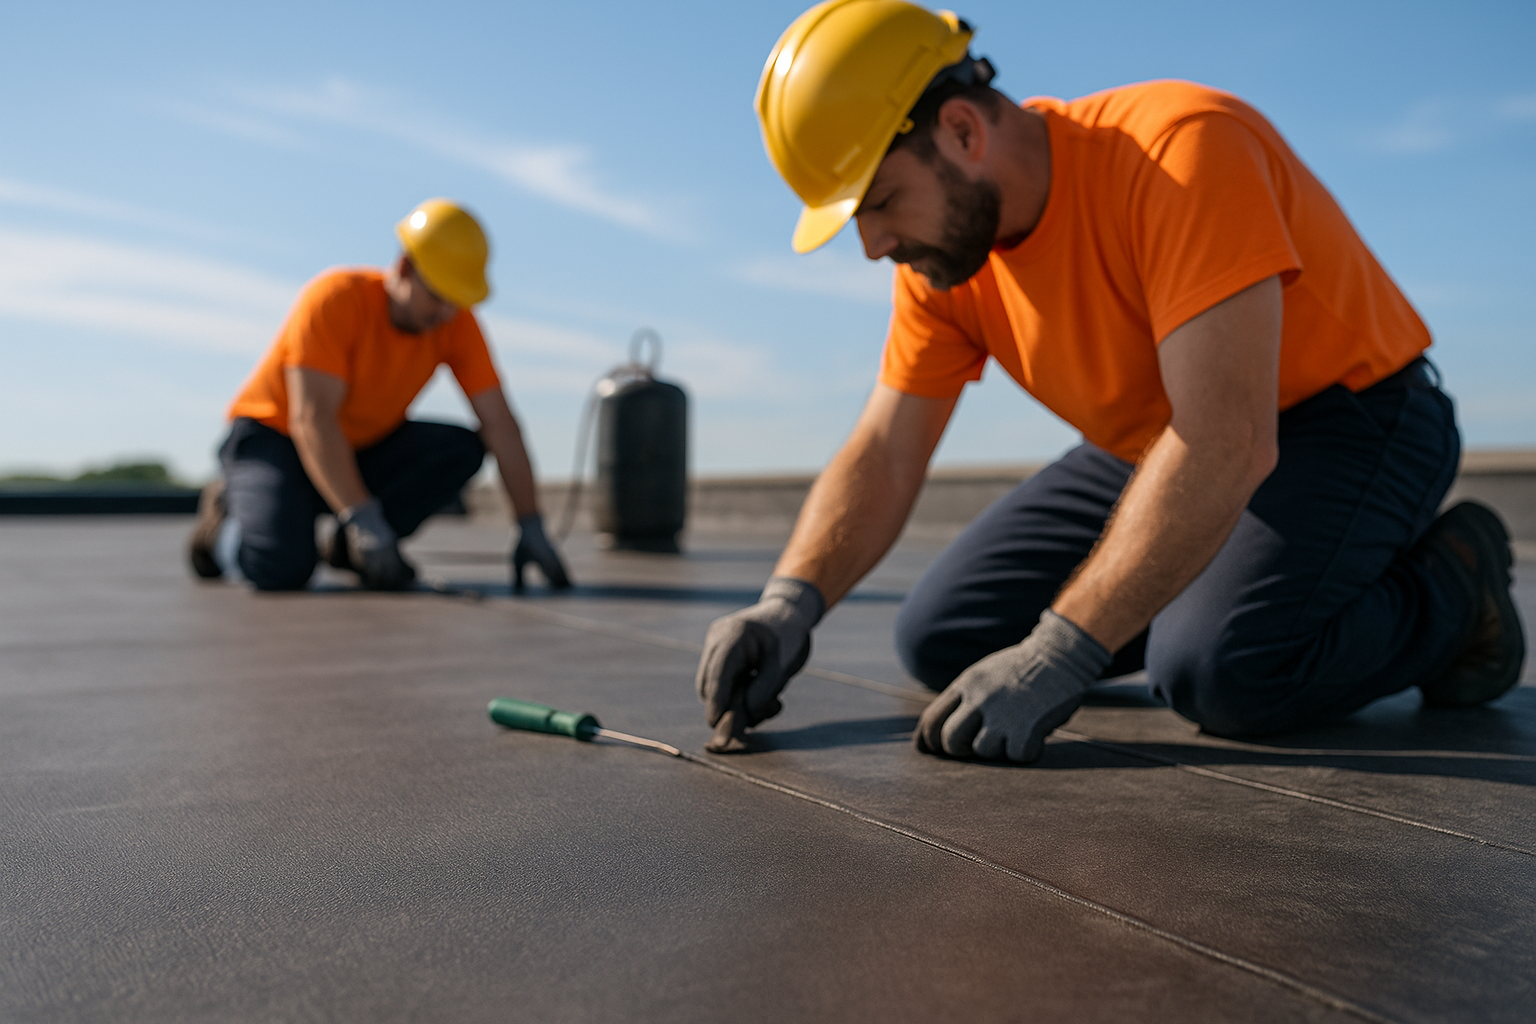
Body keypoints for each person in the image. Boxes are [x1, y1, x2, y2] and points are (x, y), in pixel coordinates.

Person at [695, 0, 1525, 760]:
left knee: (1221, 670)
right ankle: (1208, 579)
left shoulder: (1180, 149)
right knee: (946, 638)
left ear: (960, 131)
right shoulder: (945, 261)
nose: (873, 246)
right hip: (1159, 443)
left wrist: (1064, 650)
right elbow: (886, 448)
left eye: (879, 203)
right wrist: (789, 604)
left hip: (1347, 419)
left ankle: (1458, 582)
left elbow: (1228, 438)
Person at [188, 198, 571, 593]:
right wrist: (364, 519)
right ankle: (222, 530)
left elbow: (501, 425)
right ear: (405, 268)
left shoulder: (454, 323)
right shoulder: (335, 300)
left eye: (457, 302)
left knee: (460, 448)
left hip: (360, 447)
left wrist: (531, 524)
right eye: (438, 296)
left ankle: (344, 547)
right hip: (275, 440)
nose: (446, 314)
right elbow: (313, 420)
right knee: (281, 568)